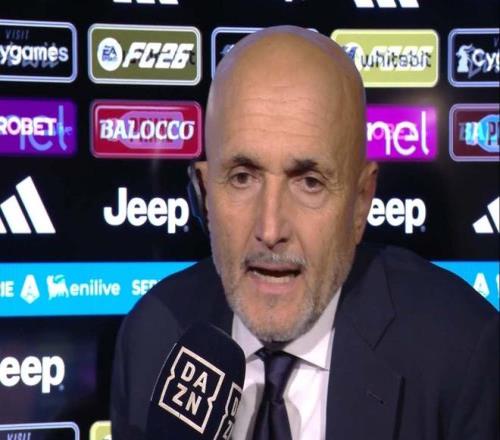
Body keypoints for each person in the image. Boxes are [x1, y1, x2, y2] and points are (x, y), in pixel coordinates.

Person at [110, 26, 499, 440]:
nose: (270, 229)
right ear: (205, 193)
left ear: (361, 202)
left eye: (309, 182)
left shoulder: (461, 352)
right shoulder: (152, 335)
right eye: (242, 178)